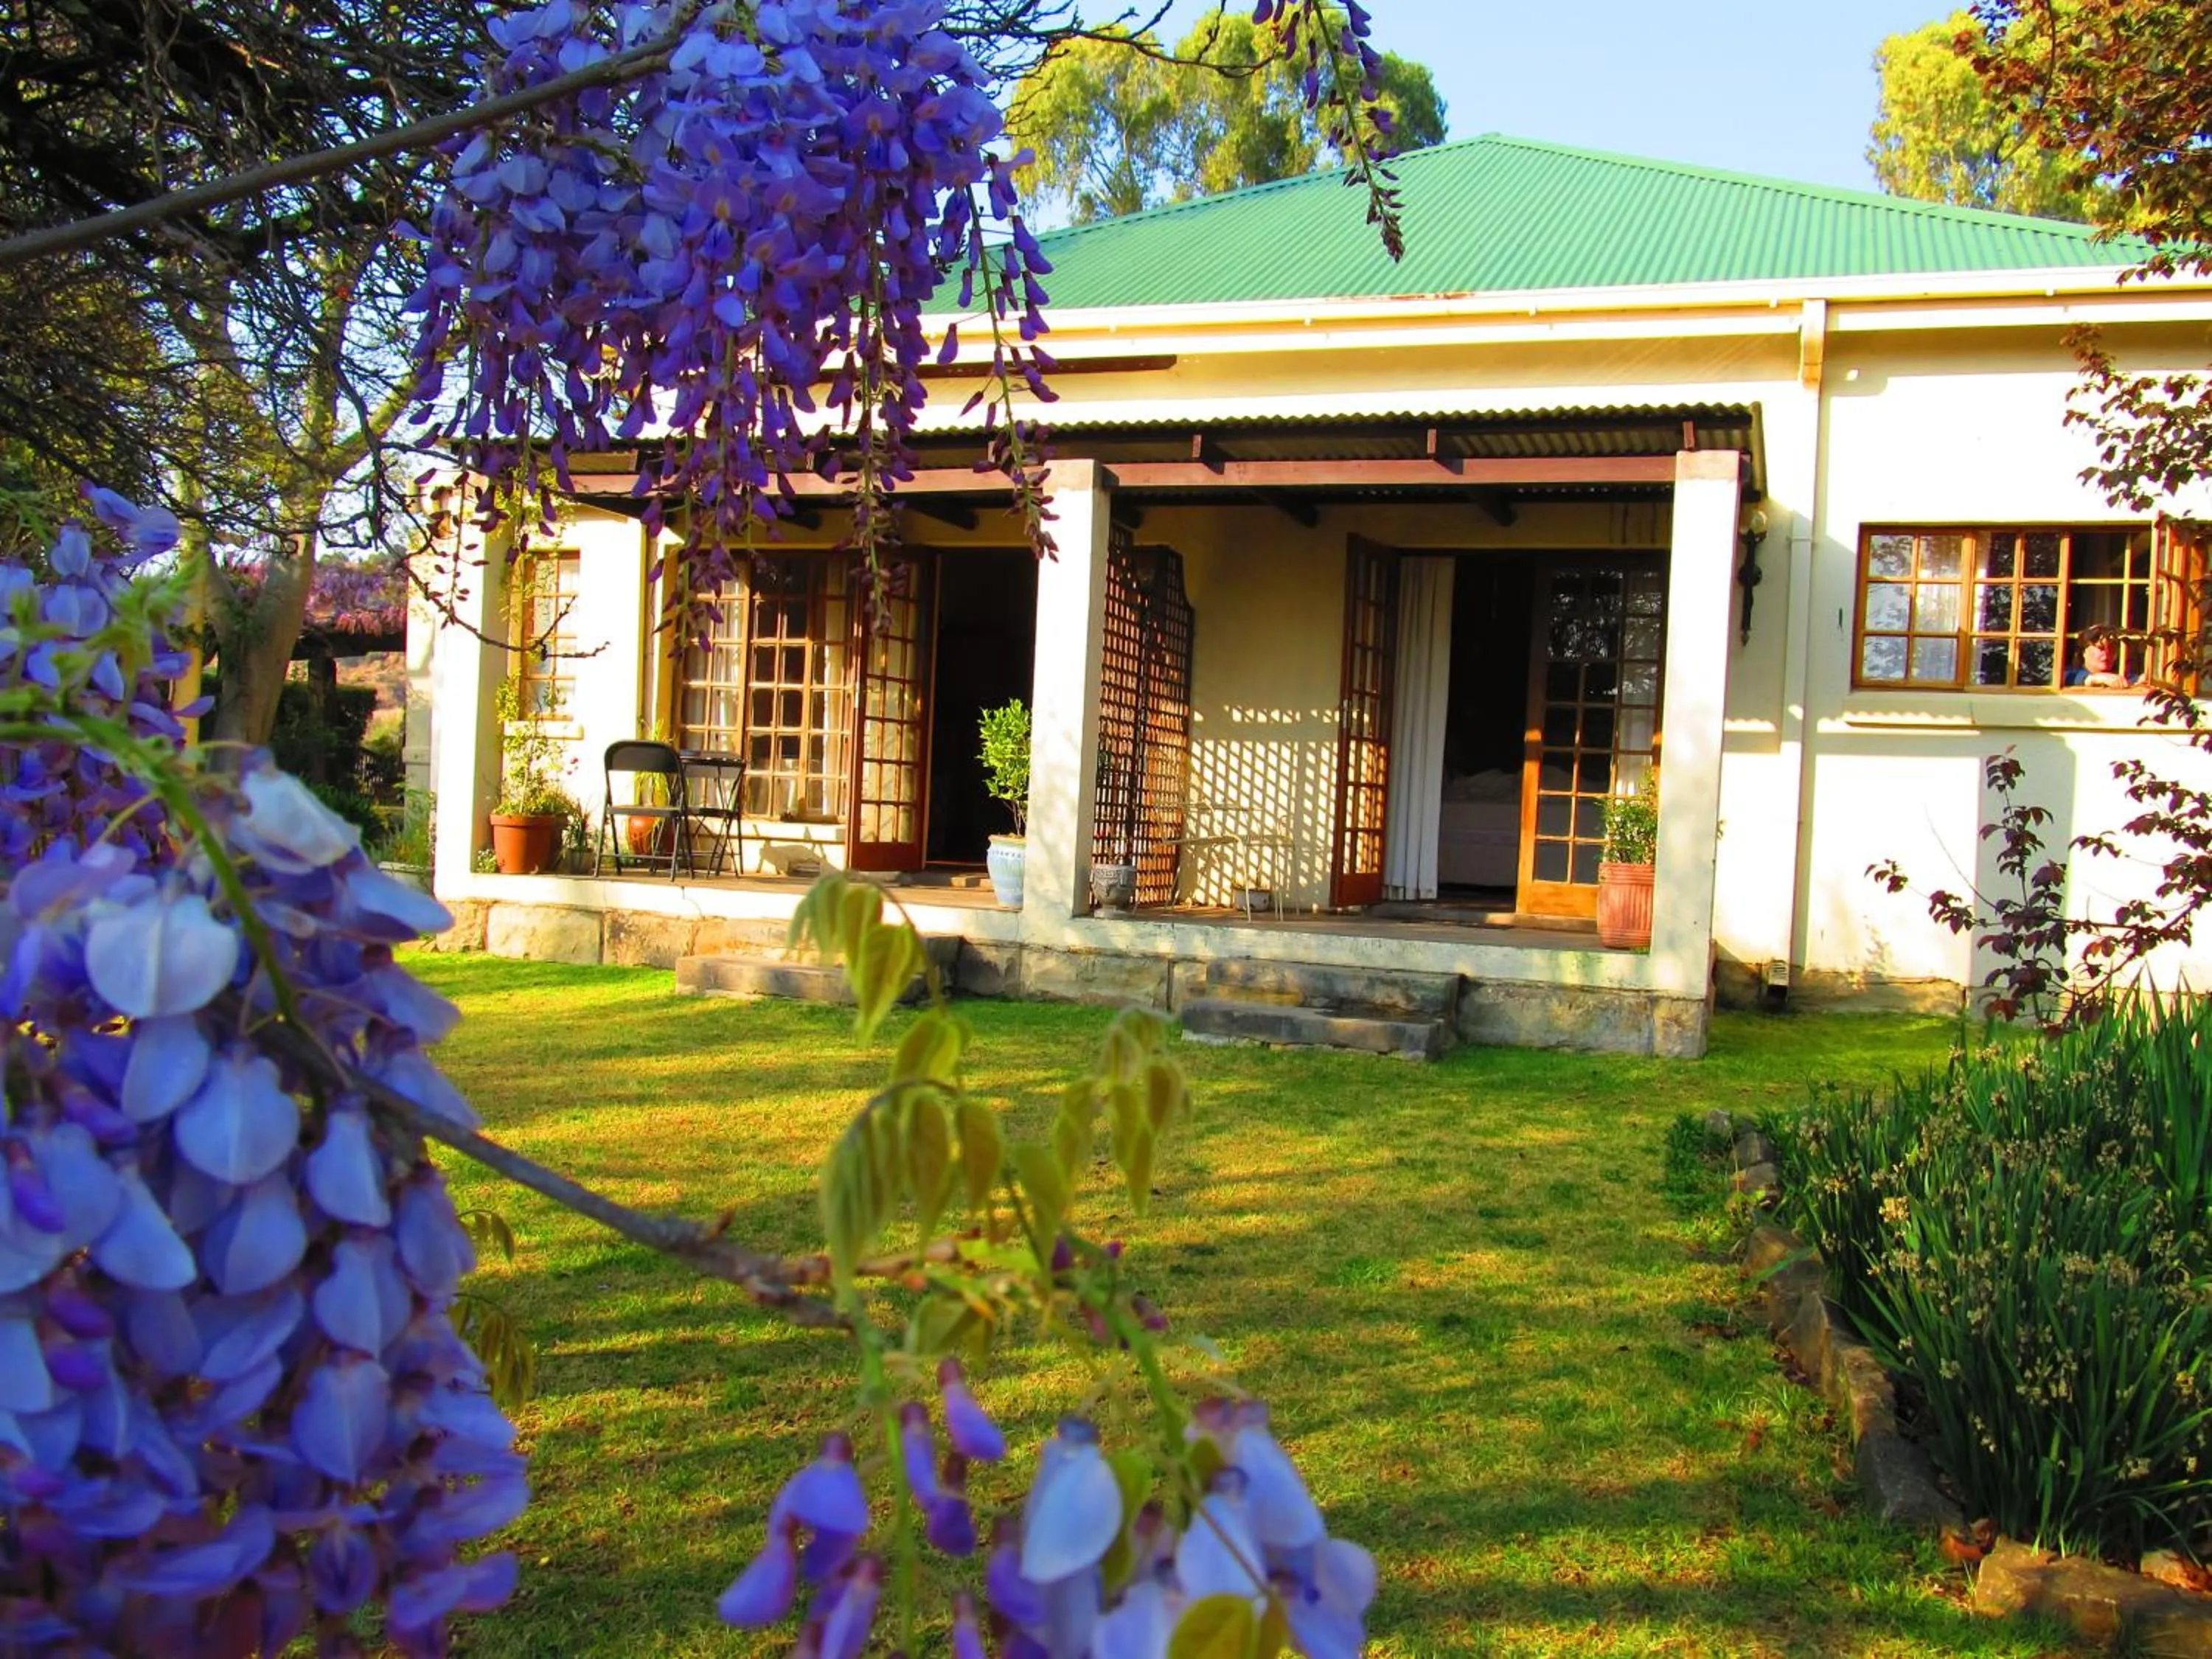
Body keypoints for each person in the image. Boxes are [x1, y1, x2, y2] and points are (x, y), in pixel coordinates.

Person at [2064, 623, 2138, 689]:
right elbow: (2066, 677)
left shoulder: (2122, 675)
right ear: (2084, 652)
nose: (2106, 653)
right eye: (2100, 648)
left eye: (2111, 649)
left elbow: (2134, 680)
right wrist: (2096, 679)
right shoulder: (2070, 674)